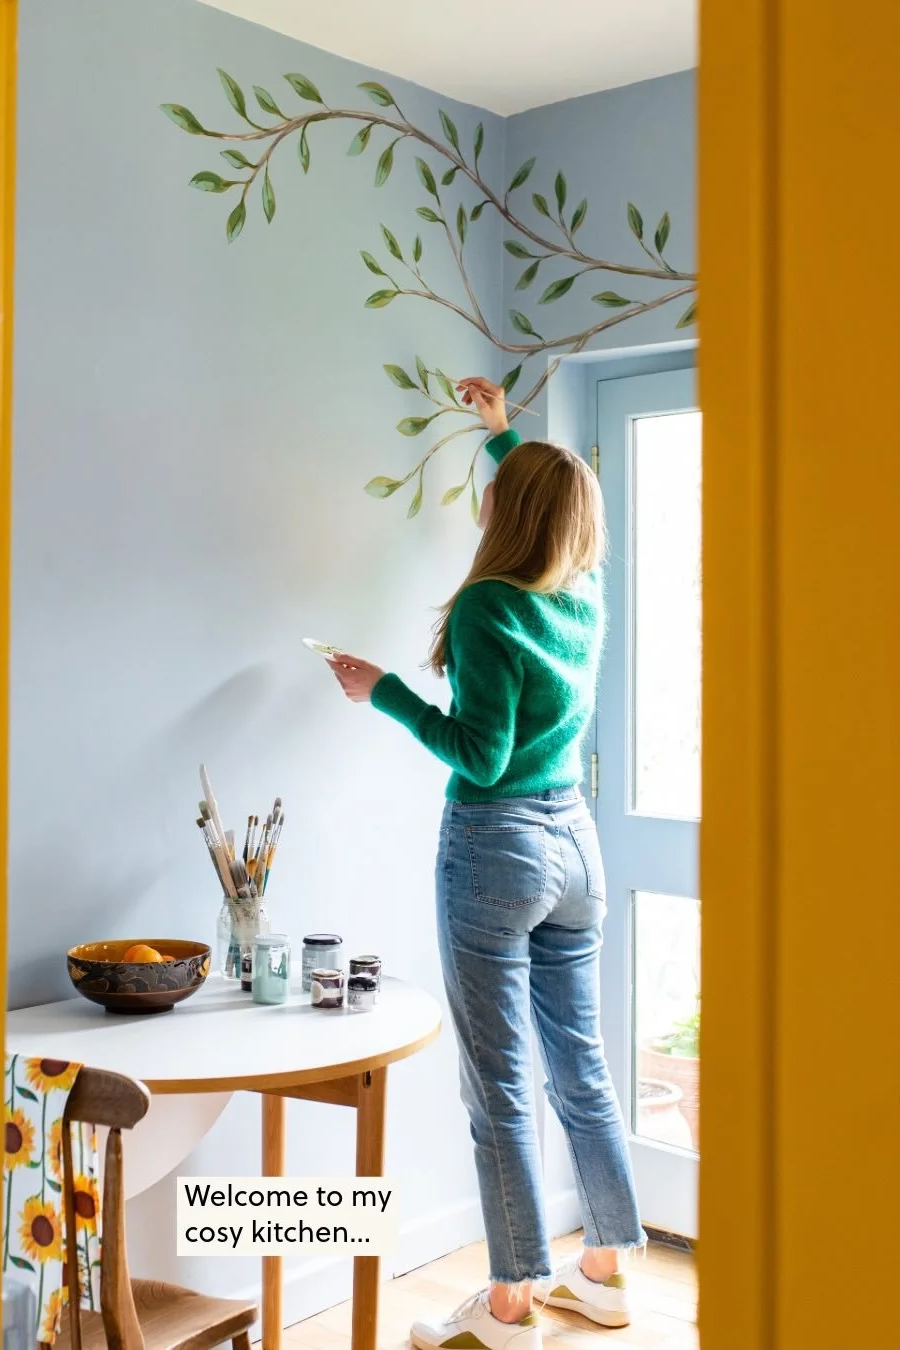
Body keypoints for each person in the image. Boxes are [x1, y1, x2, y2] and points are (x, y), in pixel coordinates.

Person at [327, 376, 645, 1350]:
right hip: (575, 848)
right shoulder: (579, 598)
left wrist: (381, 691)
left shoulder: (487, 609)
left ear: (509, 516)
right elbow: (548, 502)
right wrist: (504, 436)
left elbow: (480, 756)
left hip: (496, 847)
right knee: (580, 1062)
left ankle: (510, 1304)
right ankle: (606, 1269)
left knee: (498, 1082)